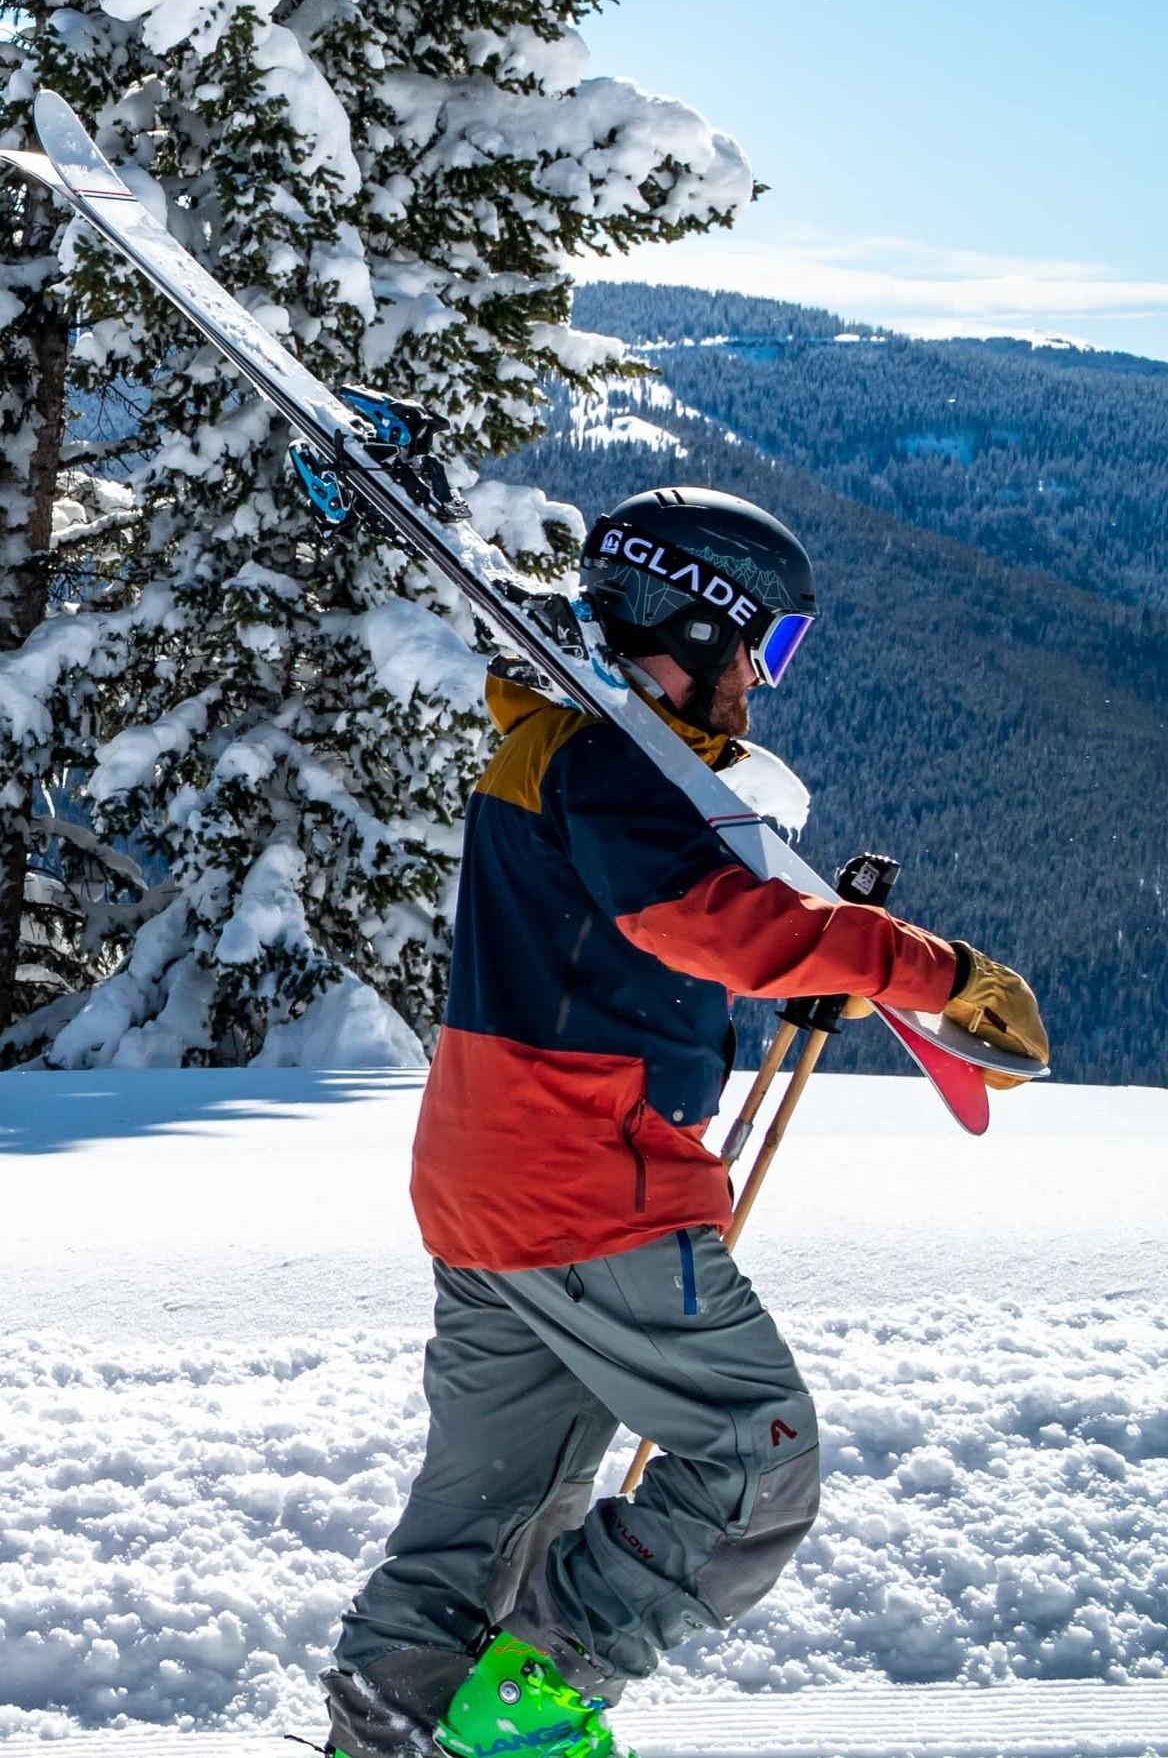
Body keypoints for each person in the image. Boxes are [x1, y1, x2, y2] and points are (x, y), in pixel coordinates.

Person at [322, 486, 1048, 1758]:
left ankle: (394, 1721)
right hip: (587, 1181)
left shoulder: (561, 743)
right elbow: (702, 921)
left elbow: (639, 931)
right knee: (756, 1460)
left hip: (487, 1182)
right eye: (762, 649)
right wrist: (926, 968)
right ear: (694, 624)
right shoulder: (608, 757)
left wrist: (812, 967)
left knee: (495, 1498)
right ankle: (536, 1701)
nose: (761, 688)